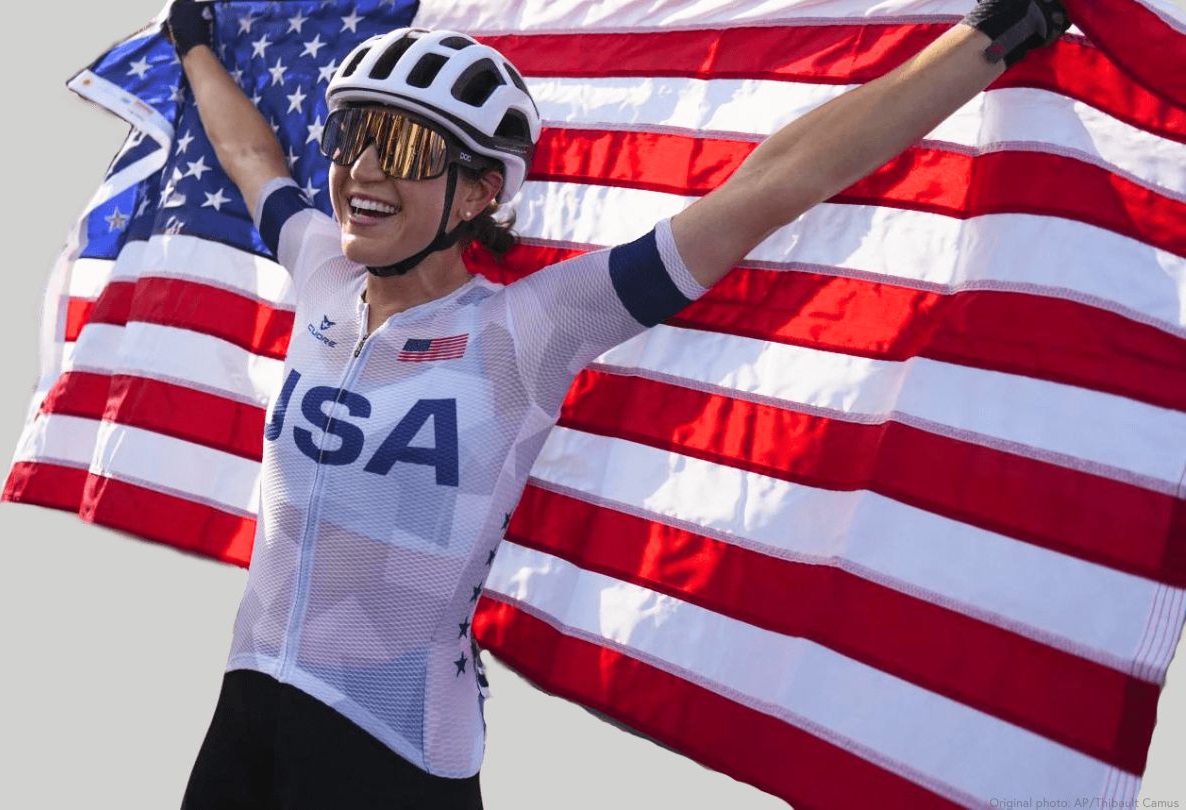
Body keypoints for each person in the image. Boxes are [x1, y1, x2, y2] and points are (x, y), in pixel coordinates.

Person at [166, 1, 1070, 807]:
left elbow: (773, 186)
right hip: (246, 708)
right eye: (353, 138)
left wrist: (995, 37)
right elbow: (250, 154)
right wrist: (194, 42)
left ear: (482, 193)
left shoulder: (529, 326)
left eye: (404, 151)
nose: (363, 170)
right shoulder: (321, 265)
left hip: (392, 745)